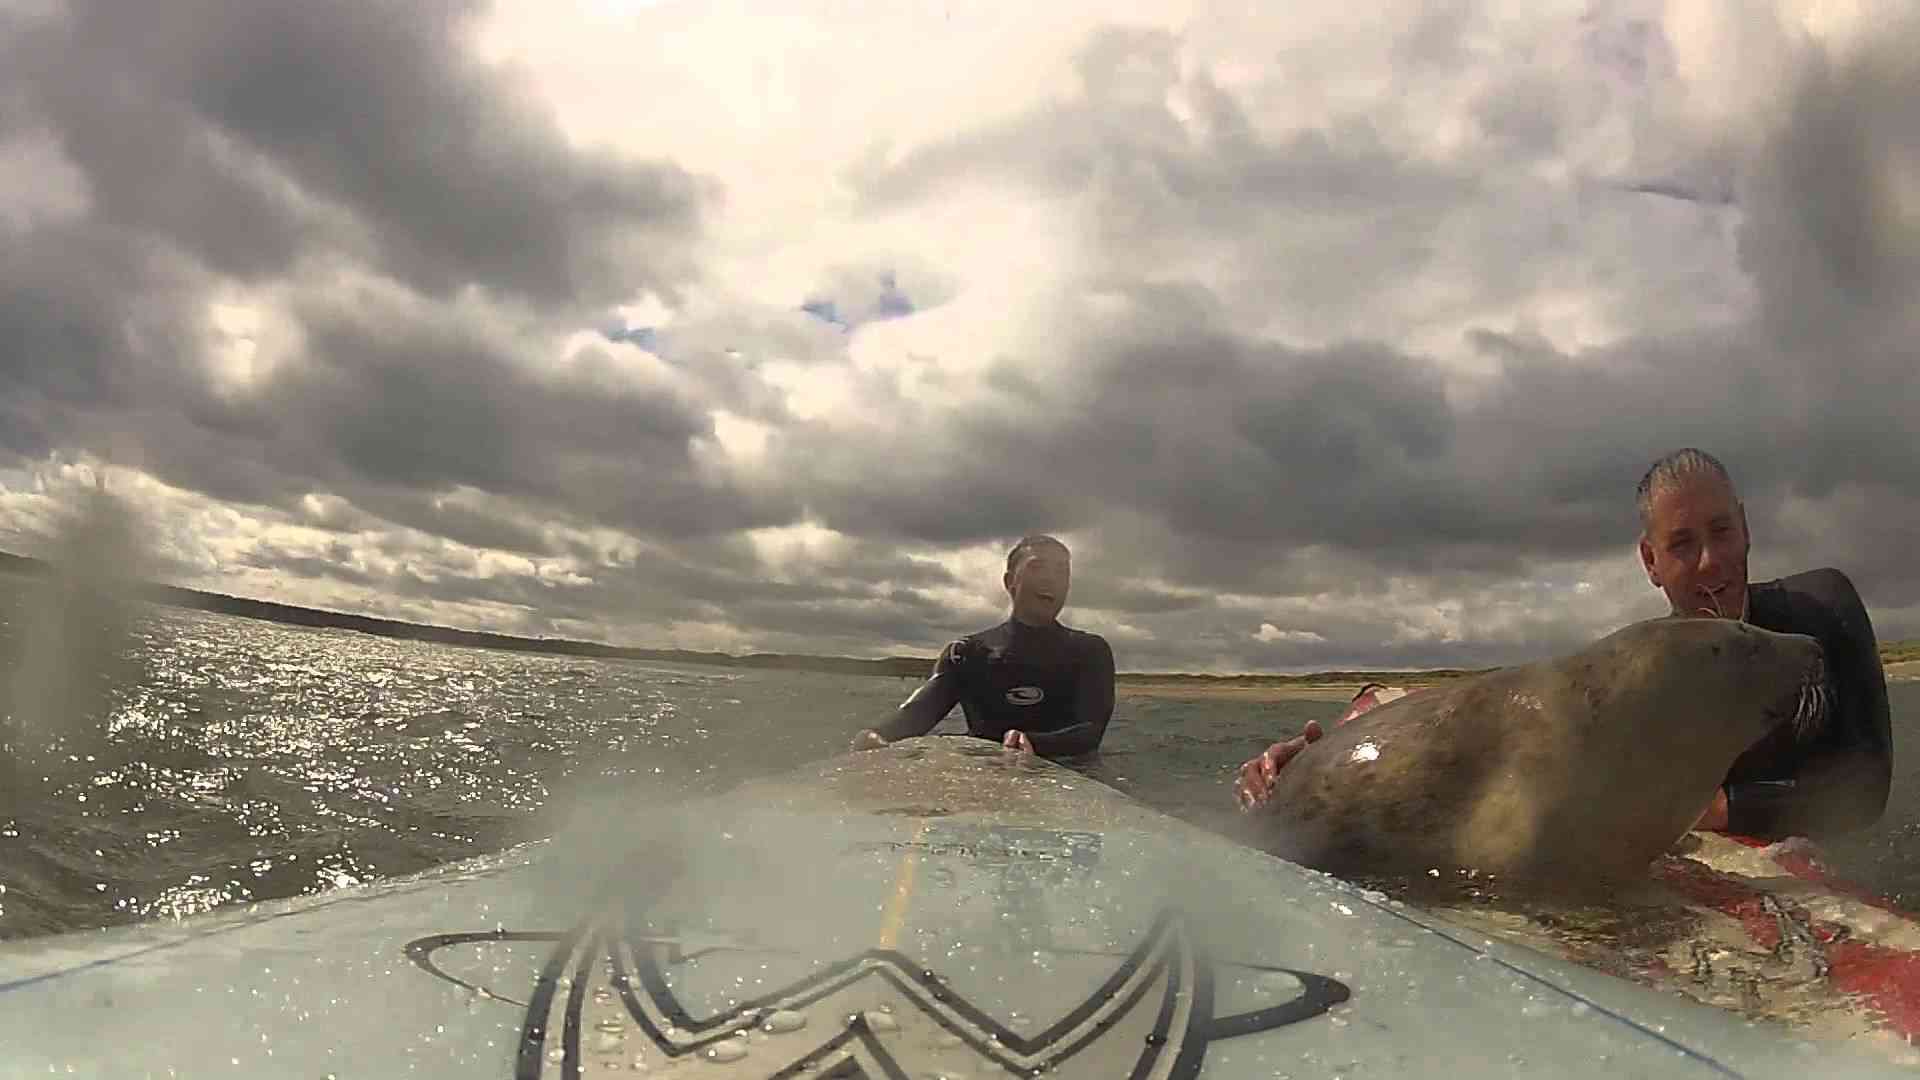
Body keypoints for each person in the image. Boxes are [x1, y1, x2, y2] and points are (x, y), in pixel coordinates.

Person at [1234, 447, 1892, 841]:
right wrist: (1316, 762)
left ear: (1747, 529)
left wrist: (1697, 811)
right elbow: (1489, 720)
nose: (1710, 561)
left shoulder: (1819, 611)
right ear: (1650, 562)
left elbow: (1865, 789)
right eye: (1682, 544)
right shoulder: (1650, 671)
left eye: (1722, 531)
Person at [850, 534, 1116, 758]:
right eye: (1038, 568)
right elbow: (917, 714)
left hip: (1067, 786)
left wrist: (1034, 743)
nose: (1051, 579)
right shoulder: (968, 653)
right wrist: (877, 735)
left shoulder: (1089, 651)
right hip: (986, 782)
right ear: (1010, 581)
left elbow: (1090, 732)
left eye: (1062, 572)